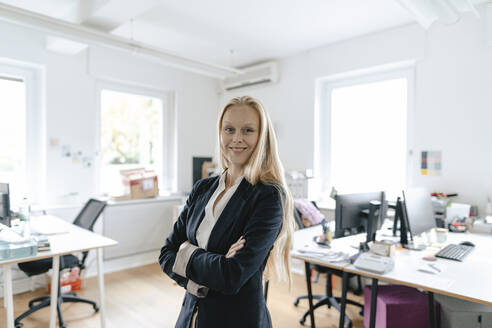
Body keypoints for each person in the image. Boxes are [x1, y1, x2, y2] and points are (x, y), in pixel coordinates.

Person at [159, 96, 294, 328]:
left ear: (262, 137)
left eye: (248, 130)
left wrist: (186, 253)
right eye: (229, 129)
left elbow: (232, 276)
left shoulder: (268, 196)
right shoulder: (202, 188)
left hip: (236, 319)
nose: (237, 138)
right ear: (220, 133)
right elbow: (165, 254)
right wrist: (216, 262)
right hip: (191, 314)